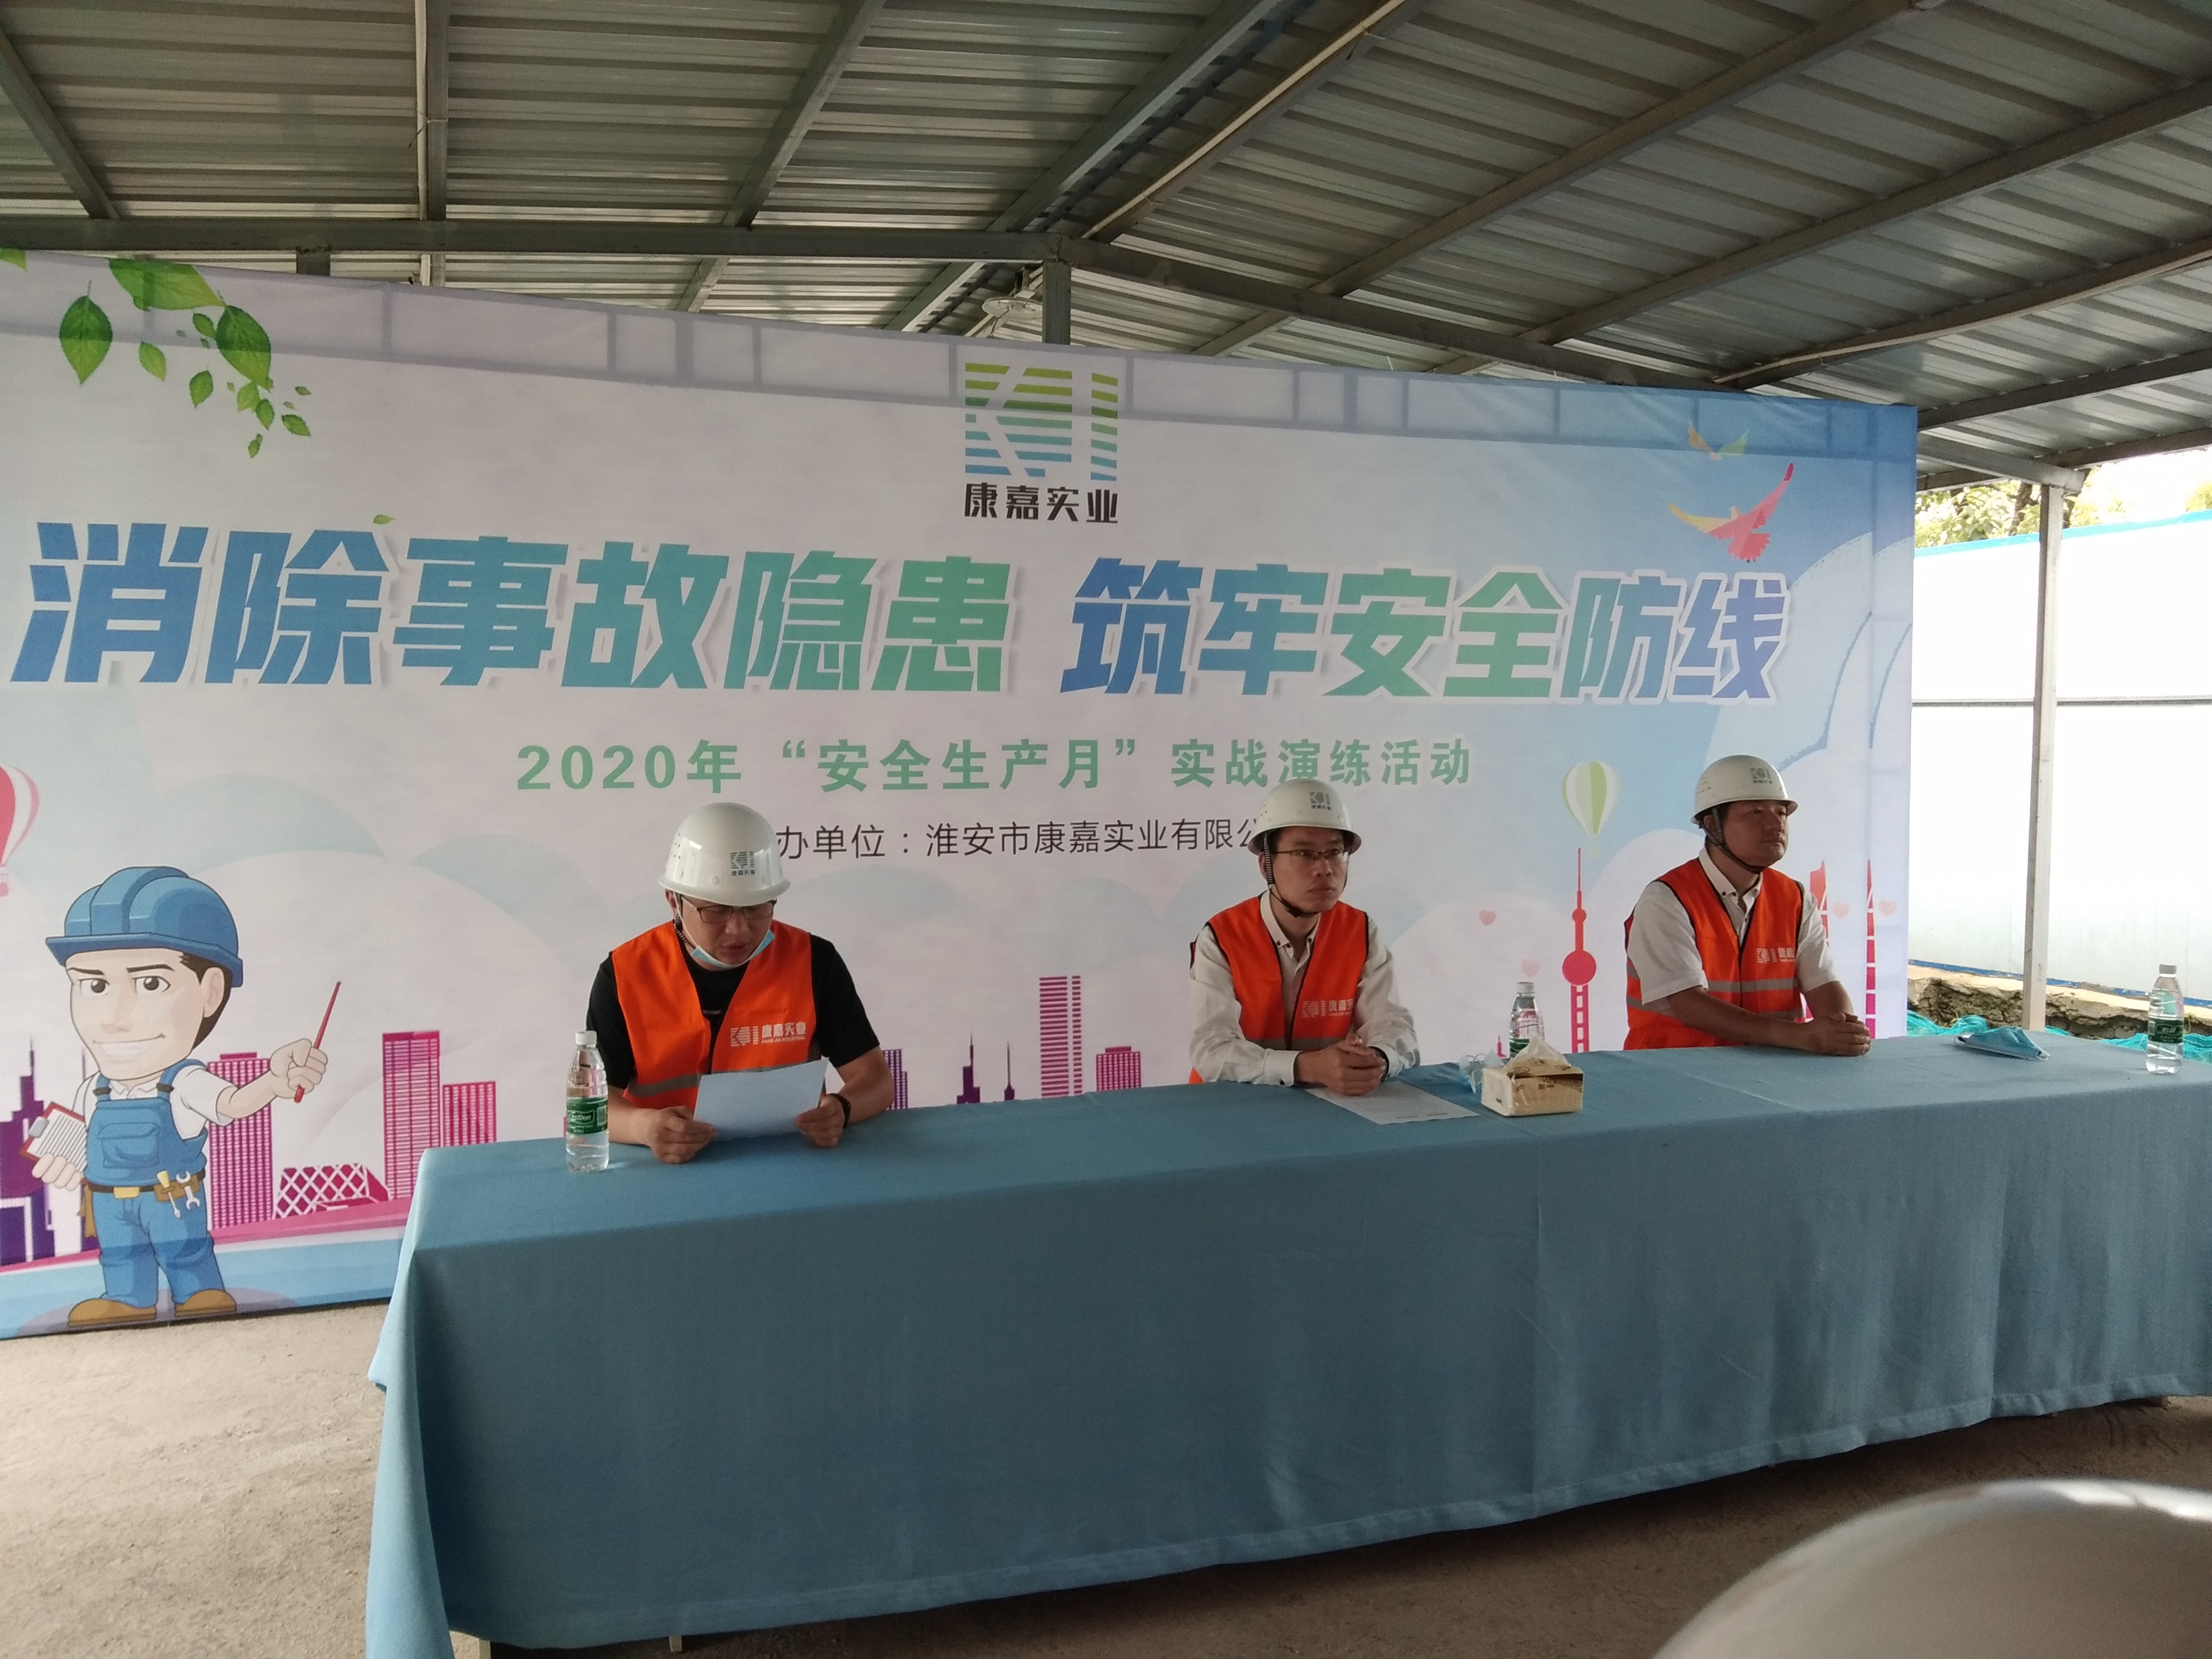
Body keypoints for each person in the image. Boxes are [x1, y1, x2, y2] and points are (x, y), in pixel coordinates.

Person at [36, 866, 328, 1329]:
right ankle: (127, 1298)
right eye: (94, 985)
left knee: (186, 1250)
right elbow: (77, 1134)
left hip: (171, 1199)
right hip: (109, 1202)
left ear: (211, 993)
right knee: (120, 1254)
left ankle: (198, 1291)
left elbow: (231, 1105)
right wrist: (61, 1153)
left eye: (151, 983)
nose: (114, 1017)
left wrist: (272, 1082)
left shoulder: (186, 1082)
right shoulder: (94, 1088)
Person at [588, 802, 893, 1163]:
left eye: (756, 907)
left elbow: (876, 1079)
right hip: (668, 1171)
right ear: (674, 901)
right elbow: (593, 1103)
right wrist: (645, 1127)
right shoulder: (626, 974)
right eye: (716, 911)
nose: (739, 930)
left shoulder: (813, 962)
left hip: (790, 1163)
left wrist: (842, 1108)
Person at [1624, 755, 1870, 1054]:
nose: (1775, 825)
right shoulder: (1667, 899)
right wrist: (1801, 1036)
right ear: (1712, 824)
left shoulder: (1795, 898)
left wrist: (1841, 1030)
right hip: (1676, 1069)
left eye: (1781, 813)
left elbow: (1824, 984)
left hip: (1770, 1072)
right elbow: (1689, 1005)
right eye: (1755, 812)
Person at [1189, 780, 1418, 1094]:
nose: (1324, 868)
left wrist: (1377, 1059)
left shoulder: (1360, 931)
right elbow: (1211, 1050)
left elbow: (1394, 1026)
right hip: (1230, 1106)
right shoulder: (1222, 937)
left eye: (1335, 852)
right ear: (1266, 865)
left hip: (1327, 1107)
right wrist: (1307, 1067)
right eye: (1304, 853)